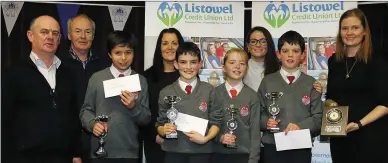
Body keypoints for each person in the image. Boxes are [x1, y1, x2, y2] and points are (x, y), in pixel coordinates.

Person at [2, 15, 82, 163]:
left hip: (62, 157)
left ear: (59, 39)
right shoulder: (13, 74)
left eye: (55, 33)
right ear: (30, 35)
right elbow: (4, 119)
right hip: (25, 157)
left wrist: (76, 153)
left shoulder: (68, 74)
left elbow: (73, 116)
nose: (50, 37)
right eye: (44, 32)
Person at [325, 8, 388, 163]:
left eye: (355, 28)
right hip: (340, 137)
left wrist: (359, 124)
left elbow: (385, 104)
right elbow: (330, 97)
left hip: (370, 137)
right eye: (345, 28)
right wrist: (331, 104)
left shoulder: (377, 60)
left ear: (365, 31)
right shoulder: (334, 61)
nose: (349, 33)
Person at [79, 31, 151, 163]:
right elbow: (86, 111)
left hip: (129, 153)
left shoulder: (140, 81)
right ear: (109, 54)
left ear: (134, 53)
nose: (123, 58)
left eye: (128, 52)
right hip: (100, 152)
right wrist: (92, 124)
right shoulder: (97, 78)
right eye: (118, 53)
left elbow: (145, 119)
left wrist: (133, 107)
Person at [257, 30, 323, 163]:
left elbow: (318, 118)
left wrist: (300, 126)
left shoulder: (312, 83)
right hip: (272, 146)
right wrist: (266, 122)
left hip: (301, 148)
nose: (290, 55)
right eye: (285, 51)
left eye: (296, 51)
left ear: (303, 55)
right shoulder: (267, 82)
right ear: (278, 54)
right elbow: (256, 114)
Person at [156, 41, 222, 163]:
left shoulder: (209, 90)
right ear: (176, 64)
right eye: (183, 62)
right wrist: (163, 131)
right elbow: (160, 124)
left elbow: (216, 122)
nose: (188, 67)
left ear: (200, 64)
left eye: (193, 62)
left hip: (201, 152)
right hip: (173, 152)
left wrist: (206, 138)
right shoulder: (166, 92)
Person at [61, 14, 108, 163]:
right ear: (69, 35)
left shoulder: (105, 65)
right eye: (78, 31)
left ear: (93, 36)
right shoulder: (57, 64)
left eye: (88, 32)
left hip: (100, 139)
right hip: (67, 141)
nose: (83, 36)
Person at [141, 28, 184, 163]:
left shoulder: (188, 77)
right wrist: (155, 136)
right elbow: (142, 112)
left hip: (183, 145)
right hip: (156, 143)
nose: (170, 47)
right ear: (159, 47)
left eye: (174, 43)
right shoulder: (146, 78)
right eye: (165, 43)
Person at [211, 48, 261, 163]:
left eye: (242, 63)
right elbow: (208, 125)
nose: (237, 67)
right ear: (223, 67)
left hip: (243, 157)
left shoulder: (252, 96)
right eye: (232, 62)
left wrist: (253, 160)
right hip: (216, 155)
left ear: (246, 68)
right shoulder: (213, 94)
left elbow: (255, 133)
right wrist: (220, 138)